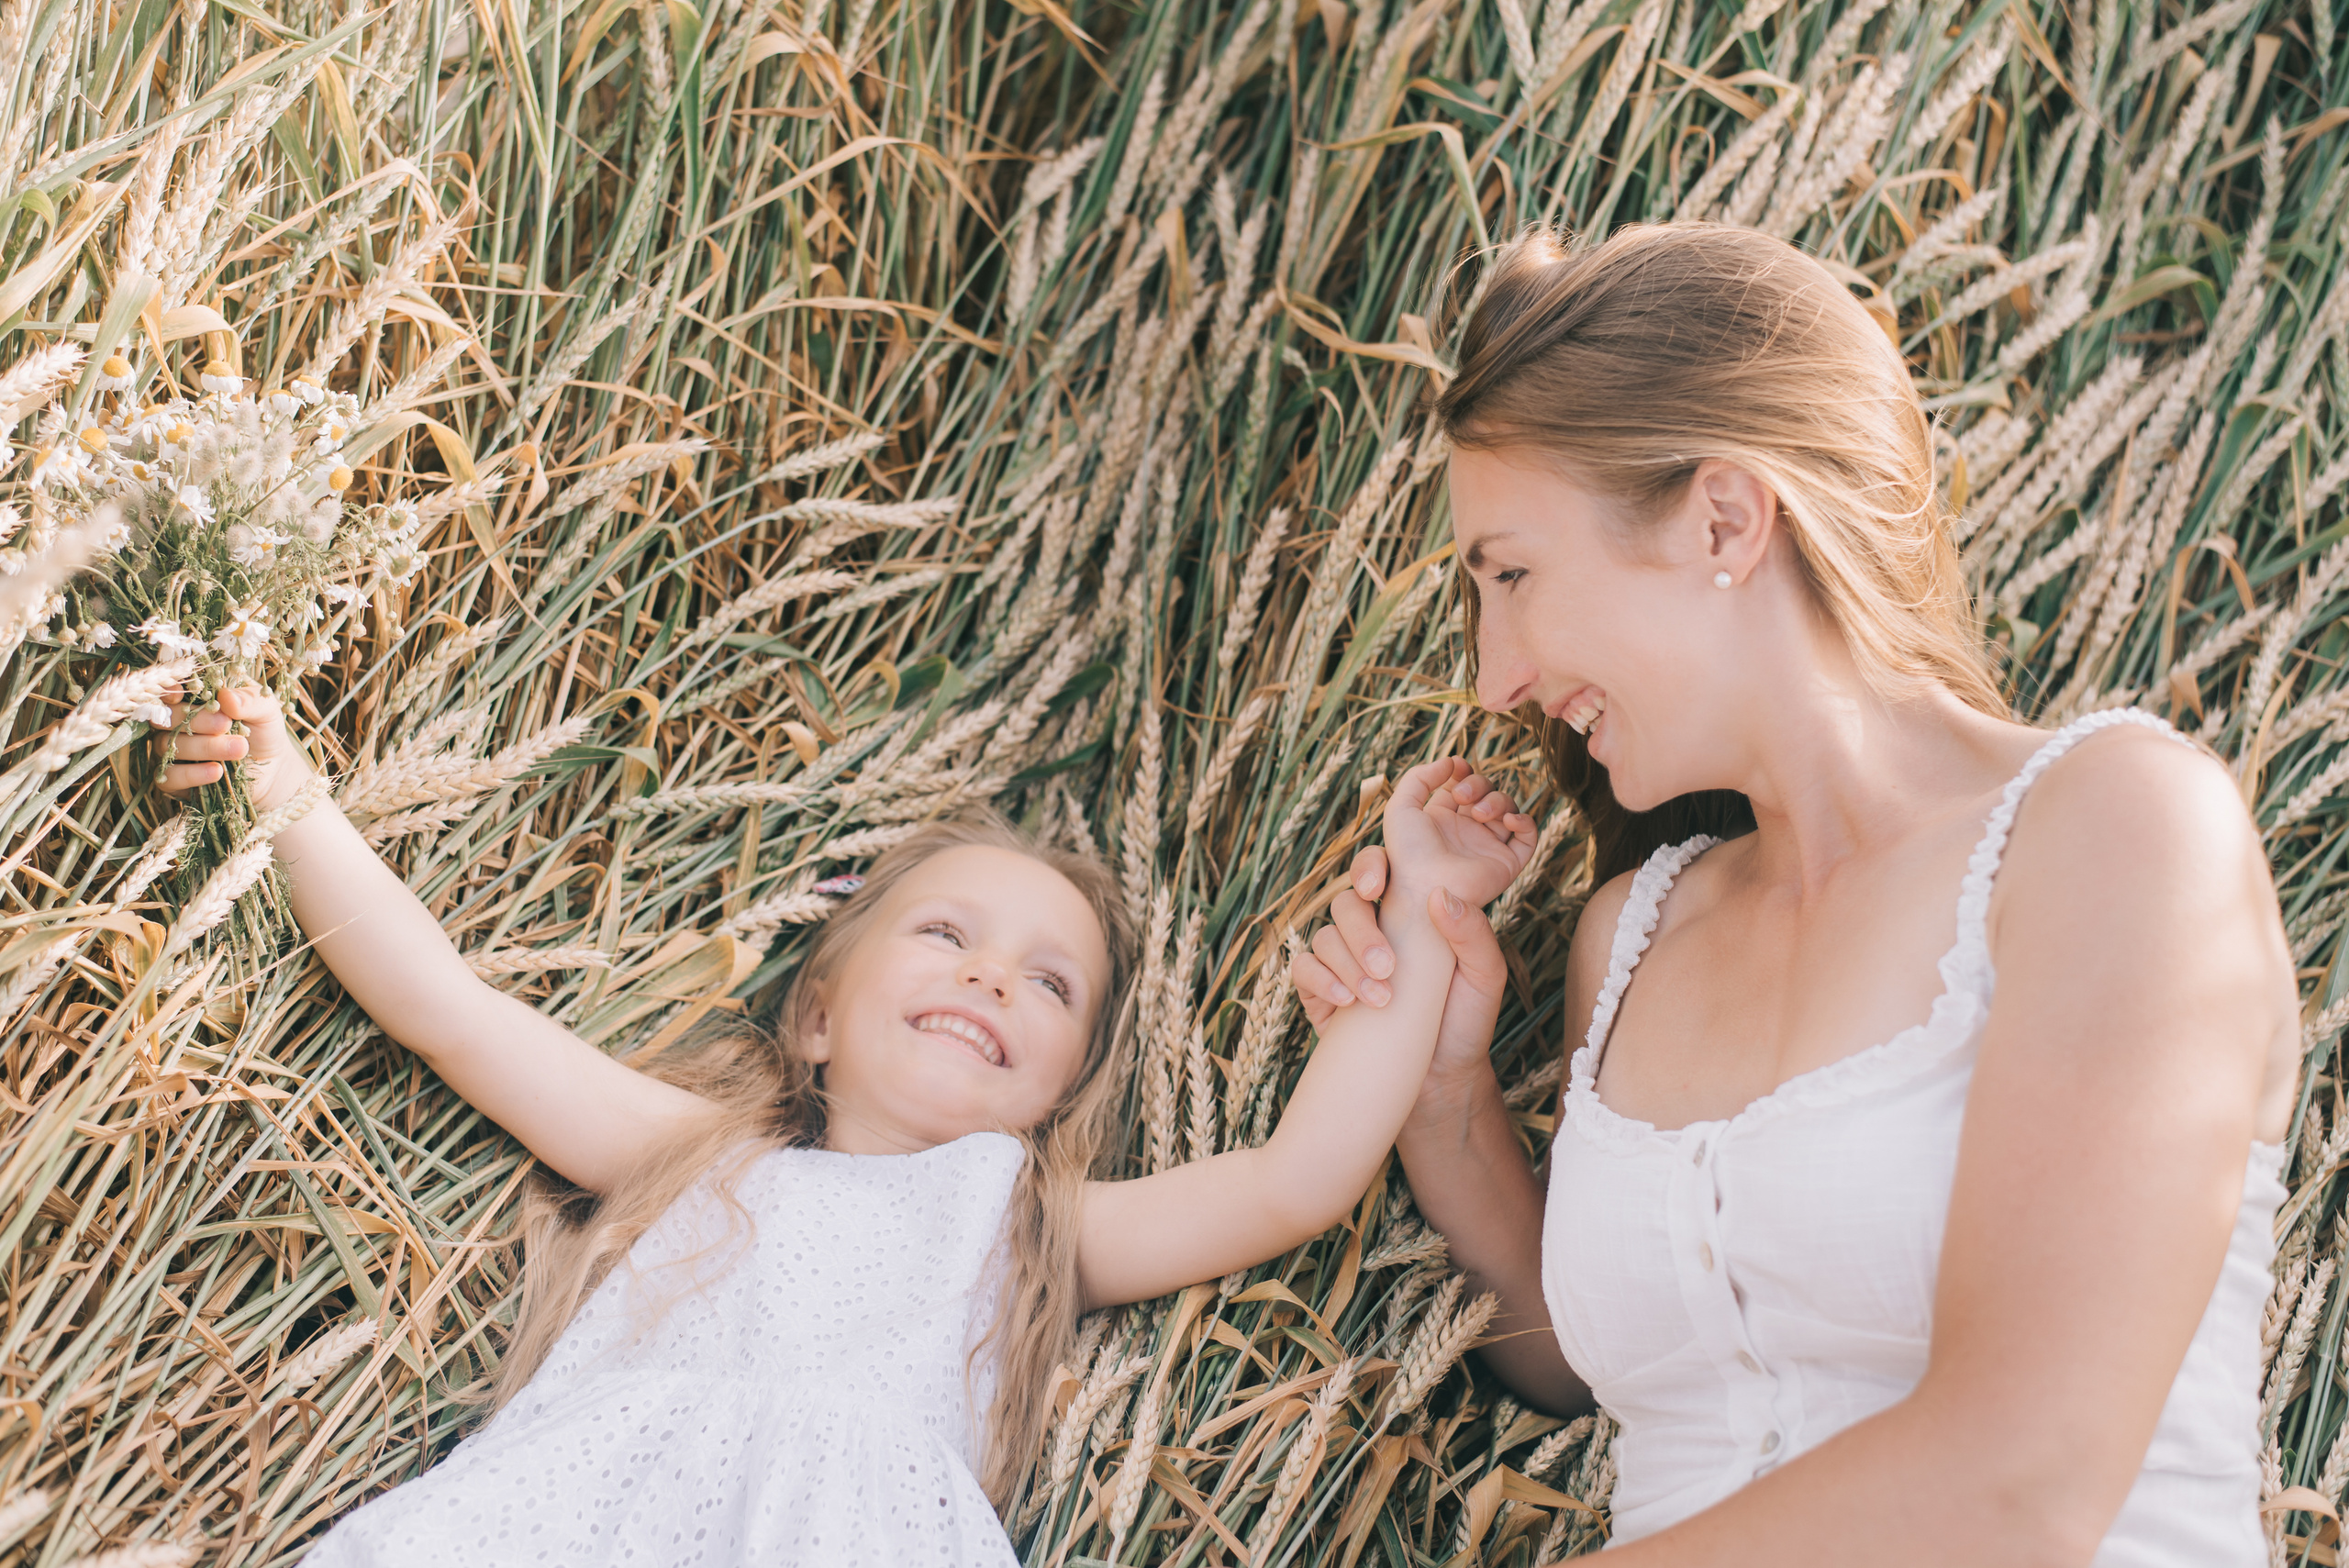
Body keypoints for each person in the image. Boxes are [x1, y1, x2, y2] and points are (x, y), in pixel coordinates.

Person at [1290, 223, 2298, 1566]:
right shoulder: (1636, 932)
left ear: (1725, 519)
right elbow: (1599, 1365)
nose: (1495, 677)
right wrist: (1443, 1094)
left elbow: (2028, 1475)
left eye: (1513, 576)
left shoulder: (2117, 829)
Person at [157, 685, 1535, 1565]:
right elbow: (452, 1012)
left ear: (1058, 1094)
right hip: (578, 1513)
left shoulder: (1024, 1222)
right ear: (816, 1014)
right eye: (947, 935)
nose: (991, 977)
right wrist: (287, 798)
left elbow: (1297, 1177)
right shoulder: (702, 1156)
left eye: (1050, 983)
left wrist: (1427, 906)